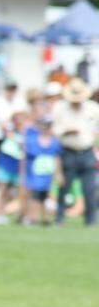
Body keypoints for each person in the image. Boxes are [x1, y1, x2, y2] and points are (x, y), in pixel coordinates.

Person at [52, 78, 99, 226]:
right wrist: (66, 131)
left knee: (89, 188)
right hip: (68, 151)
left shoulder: (92, 108)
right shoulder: (60, 108)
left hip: (87, 151)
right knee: (64, 186)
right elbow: (54, 129)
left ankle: (90, 220)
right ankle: (59, 217)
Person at [23, 117, 62, 225]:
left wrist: (58, 173)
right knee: (35, 194)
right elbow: (26, 157)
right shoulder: (32, 140)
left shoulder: (55, 142)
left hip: (48, 172)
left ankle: (46, 218)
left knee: (46, 195)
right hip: (35, 171)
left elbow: (57, 158)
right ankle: (32, 217)